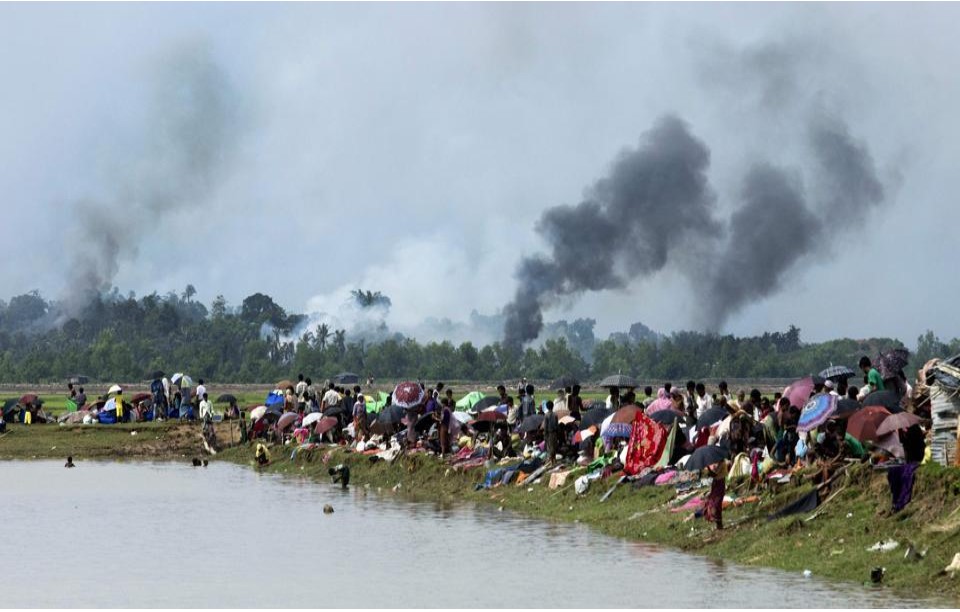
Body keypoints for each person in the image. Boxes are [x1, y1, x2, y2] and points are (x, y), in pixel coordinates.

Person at [544, 400, 559, 466]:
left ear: (547, 407)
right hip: (554, 433)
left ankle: (551, 461)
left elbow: (545, 426)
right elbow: (557, 424)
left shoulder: (546, 415)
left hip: (549, 433)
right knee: (554, 446)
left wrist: (545, 434)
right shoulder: (555, 415)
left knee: (550, 447)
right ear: (553, 406)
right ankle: (554, 459)